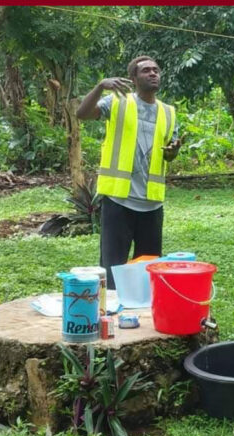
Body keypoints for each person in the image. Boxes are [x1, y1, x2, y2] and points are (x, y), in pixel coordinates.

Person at [76, 56, 183, 289]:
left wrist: (173, 152)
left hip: (151, 204)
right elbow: (82, 114)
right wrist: (100, 86)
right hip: (118, 201)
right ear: (134, 78)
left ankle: (143, 316)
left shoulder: (168, 112)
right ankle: (112, 316)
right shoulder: (117, 102)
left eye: (156, 70)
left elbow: (168, 154)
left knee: (148, 268)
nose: (153, 73)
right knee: (113, 268)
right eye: (146, 71)